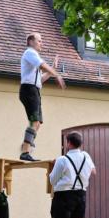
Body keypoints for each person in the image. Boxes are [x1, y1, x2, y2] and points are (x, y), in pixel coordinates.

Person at [48, 131, 95, 218]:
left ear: (68, 143)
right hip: (81, 194)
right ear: (81, 143)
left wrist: (54, 167)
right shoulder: (86, 156)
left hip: (64, 196)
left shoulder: (62, 159)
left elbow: (52, 180)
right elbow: (93, 171)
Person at [19, 33, 66, 161]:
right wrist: (56, 74)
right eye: (39, 41)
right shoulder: (30, 53)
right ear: (30, 41)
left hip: (34, 90)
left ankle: (26, 147)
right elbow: (43, 65)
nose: (42, 43)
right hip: (29, 90)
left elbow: (40, 79)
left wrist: (53, 71)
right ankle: (25, 151)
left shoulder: (33, 56)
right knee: (35, 121)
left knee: (38, 123)